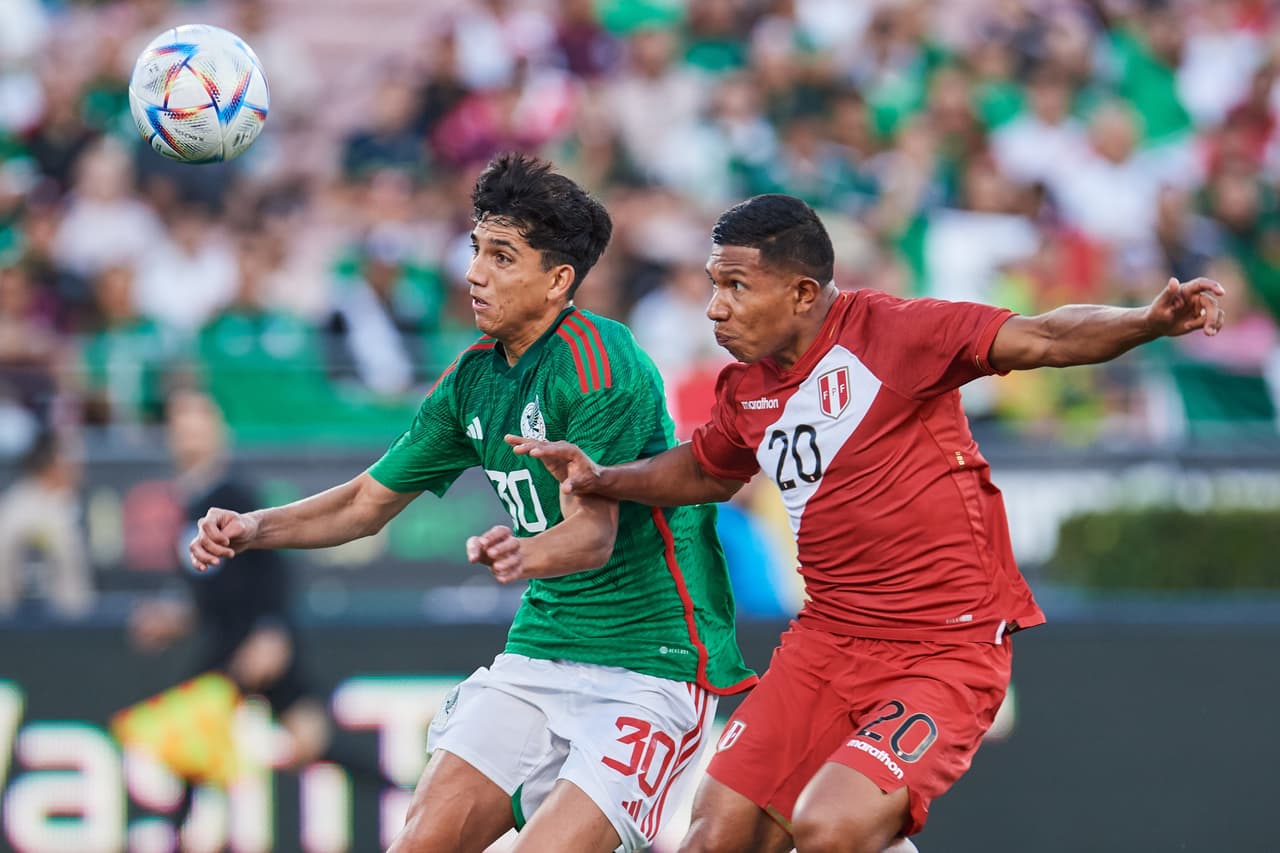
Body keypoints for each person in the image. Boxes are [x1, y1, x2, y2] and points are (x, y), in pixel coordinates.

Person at [508, 193, 1226, 853]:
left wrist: (1145, 322)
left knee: (832, 827)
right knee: (711, 838)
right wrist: (604, 479)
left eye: (735, 286)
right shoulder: (747, 387)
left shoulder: (896, 332)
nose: (714, 309)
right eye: (712, 285)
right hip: (826, 639)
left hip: (943, 647)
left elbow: (1041, 336)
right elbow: (708, 469)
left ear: (801, 293)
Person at [187, 153, 755, 853]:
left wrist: (524, 550)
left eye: (502, 255)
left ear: (558, 280)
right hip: (542, 649)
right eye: (476, 248)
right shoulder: (472, 377)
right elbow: (366, 501)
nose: (474, 272)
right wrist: (254, 525)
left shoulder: (603, 361)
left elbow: (593, 535)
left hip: (651, 662)